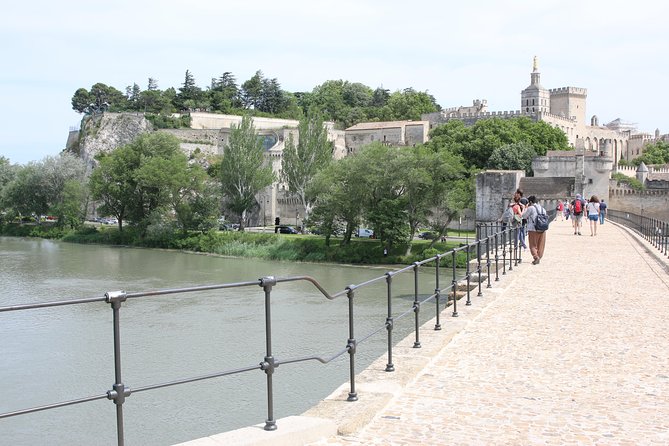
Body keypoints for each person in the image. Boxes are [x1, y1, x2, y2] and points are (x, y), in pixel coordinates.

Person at [521, 195, 547, 265]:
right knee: (541, 244)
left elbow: (524, 216)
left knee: (532, 244)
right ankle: (539, 256)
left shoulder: (531, 208)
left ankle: (536, 257)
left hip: (533, 229)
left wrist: (525, 208)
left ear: (530, 202)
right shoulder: (542, 209)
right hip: (542, 228)